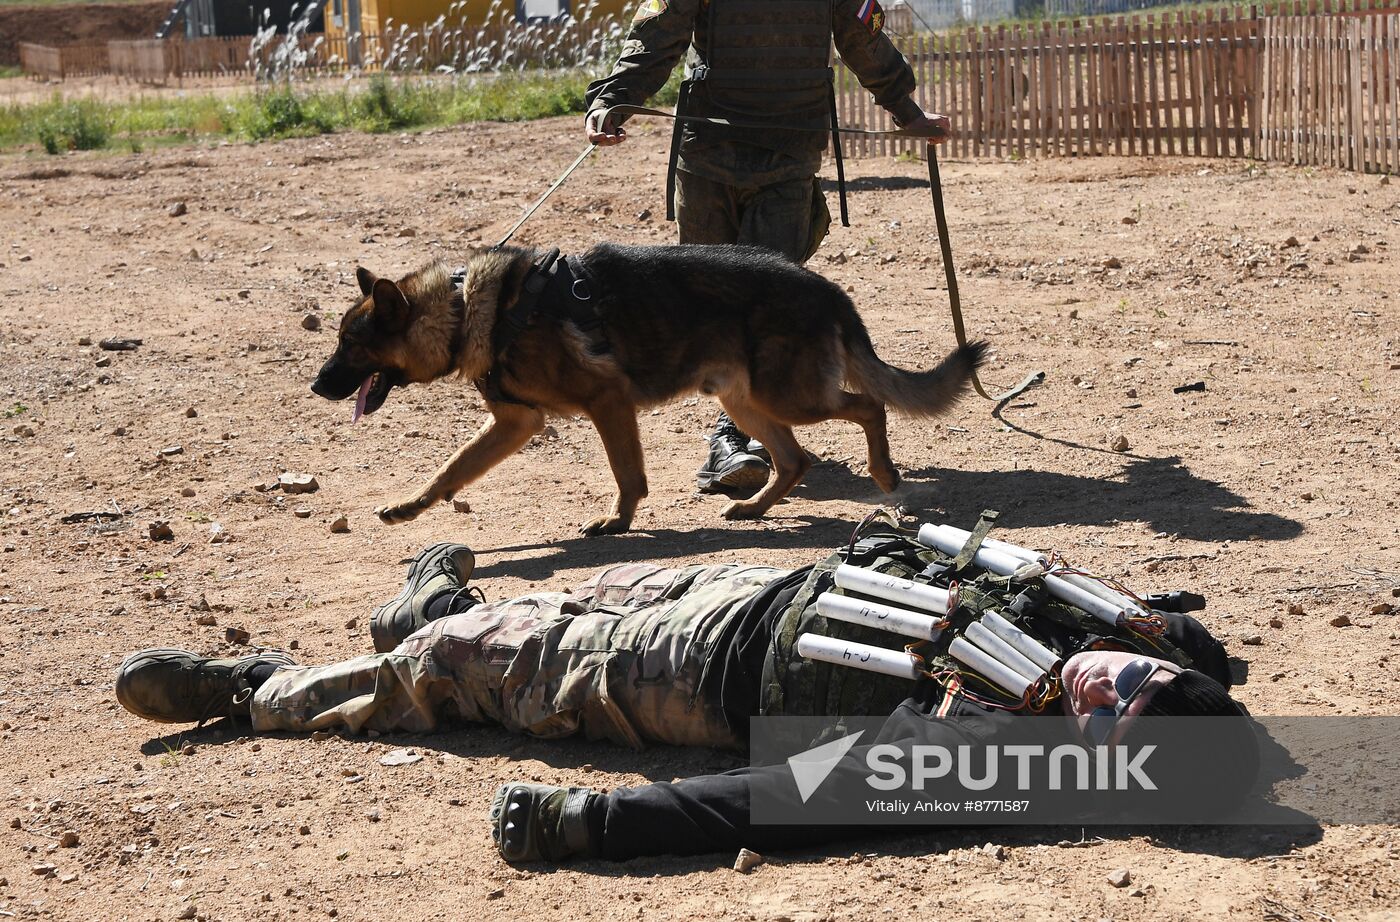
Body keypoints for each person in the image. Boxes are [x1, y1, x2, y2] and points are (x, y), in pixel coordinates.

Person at [116, 525, 1260, 864]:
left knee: (481, 669)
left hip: (699, 679)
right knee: (570, 591)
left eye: (1107, 708)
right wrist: (1150, 627)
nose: (1110, 676)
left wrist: (590, 822)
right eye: (1140, 676)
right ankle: (426, 606)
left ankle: (263, 691)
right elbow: (1176, 658)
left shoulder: (982, 750)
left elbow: (778, 798)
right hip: (780, 584)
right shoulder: (1154, 658)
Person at [582, 0, 952, 496]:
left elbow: (861, 37)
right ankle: (737, 437)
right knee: (708, 311)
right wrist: (611, 102)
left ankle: (745, 437)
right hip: (708, 157)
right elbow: (658, 34)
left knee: (766, 306)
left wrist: (908, 112)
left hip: (787, 156)